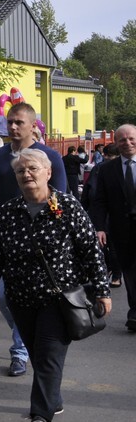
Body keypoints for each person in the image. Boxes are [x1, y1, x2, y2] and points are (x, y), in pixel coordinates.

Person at [0, 148, 110, 422]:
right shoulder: (8, 212)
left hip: (59, 297)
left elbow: (91, 251)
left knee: (49, 354)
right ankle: (53, 399)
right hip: (21, 297)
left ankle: (40, 414)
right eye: (20, 171)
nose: (26, 174)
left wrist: (102, 290)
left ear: (48, 172)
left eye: (33, 169)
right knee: (38, 354)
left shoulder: (68, 206)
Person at [0, 103, 68, 377]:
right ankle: (27, 337)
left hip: (39, 242)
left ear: (32, 126)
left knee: (28, 297)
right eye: (10, 122)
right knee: (4, 296)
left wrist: (60, 240)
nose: (13, 127)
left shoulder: (50, 157)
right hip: (4, 239)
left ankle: (20, 351)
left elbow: (61, 199)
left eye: (19, 122)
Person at [91, 124, 136, 331]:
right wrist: (99, 227)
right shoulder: (107, 169)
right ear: (116, 143)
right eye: (122, 140)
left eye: (131, 138)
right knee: (130, 272)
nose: (127, 143)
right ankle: (134, 311)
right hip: (122, 230)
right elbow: (100, 201)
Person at [82, 143, 122, 287]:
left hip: (101, 212)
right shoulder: (107, 168)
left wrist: (84, 207)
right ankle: (114, 274)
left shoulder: (100, 168)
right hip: (109, 212)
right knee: (111, 245)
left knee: (102, 245)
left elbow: (88, 189)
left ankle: (108, 271)